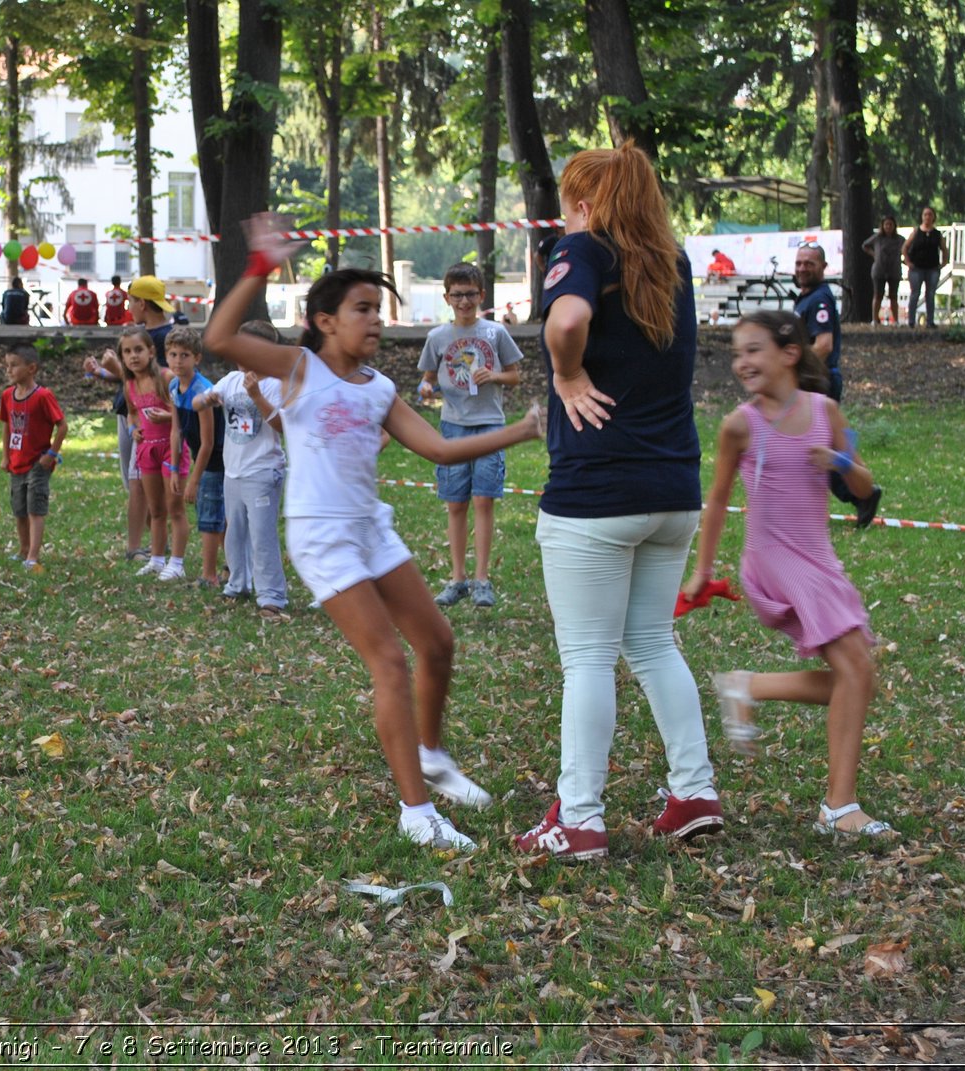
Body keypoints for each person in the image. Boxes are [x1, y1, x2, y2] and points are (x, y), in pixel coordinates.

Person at [204, 214, 545, 854]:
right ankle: (415, 812)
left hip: (371, 527)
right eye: (363, 309)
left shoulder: (381, 387)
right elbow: (219, 336)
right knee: (389, 663)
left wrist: (524, 430)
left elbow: (442, 450)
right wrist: (259, 265)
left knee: (438, 643)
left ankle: (432, 755)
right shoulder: (299, 367)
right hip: (320, 535)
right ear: (327, 321)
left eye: (379, 310)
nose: (376, 319)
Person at [512, 142, 721, 863]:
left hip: (596, 492)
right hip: (673, 489)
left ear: (588, 202)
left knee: (588, 659)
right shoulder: (673, 263)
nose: (568, 211)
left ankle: (579, 817)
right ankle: (693, 790)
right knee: (653, 643)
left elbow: (565, 323)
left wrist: (566, 376)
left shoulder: (584, 251)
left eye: (573, 198)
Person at [682, 311, 893, 839]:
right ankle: (840, 809)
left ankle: (747, 685)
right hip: (774, 560)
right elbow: (718, 500)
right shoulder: (741, 424)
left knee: (857, 677)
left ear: (789, 353)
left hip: (817, 557)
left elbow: (866, 488)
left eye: (752, 350)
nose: (742, 363)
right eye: (737, 354)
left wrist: (841, 462)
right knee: (856, 669)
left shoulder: (826, 411)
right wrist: (703, 571)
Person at [417, 263, 523, 609]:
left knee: (483, 499)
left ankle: (481, 580)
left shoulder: (494, 333)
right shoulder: (437, 338)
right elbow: (429, 377)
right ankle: (458, 578)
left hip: (490, 423)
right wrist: (426, 387)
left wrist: (493, 375)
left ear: (482, 295)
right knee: (457, 503)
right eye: (457, 295)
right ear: (447, 297)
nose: (464, 301)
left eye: (470, 294)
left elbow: (514, 376)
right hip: (453, 426)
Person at [196, 321, 289, 618]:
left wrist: (258, 396)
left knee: (262, 535)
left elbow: (282, 426)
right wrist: (206, 399)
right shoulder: (231, 380)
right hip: (233, 471)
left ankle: (272, 596)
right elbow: (198, 402)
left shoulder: (276, 383)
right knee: (234, 531)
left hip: (263, 471)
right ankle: (238, 583)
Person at [83, 275, 175, 560]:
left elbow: (151, 385)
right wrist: (101, 371)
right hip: (131, 414)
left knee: (139, 484)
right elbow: (132, 382)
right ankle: (151, 544)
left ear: (142, 303)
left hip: (149, 421)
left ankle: (138, 547)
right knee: (134, 481)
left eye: (131, 301)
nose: (128, 307)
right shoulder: (142, 333)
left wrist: (117, 367)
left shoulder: (162, 339)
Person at [793, 241, 882, 528]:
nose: (803, 268)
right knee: (818, 447)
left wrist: (789, 369)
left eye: (809, 263)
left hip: (817, 381)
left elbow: (823, 345)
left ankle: (862, 493)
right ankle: (862, 493)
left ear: (823, 267)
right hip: (812, 382)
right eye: (799, 263)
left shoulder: (819, 299)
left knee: (813, 447)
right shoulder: (806, 297)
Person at [117, 325, 188, 579]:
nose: (133, 356)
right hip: (147, 450)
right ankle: (157, 560)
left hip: (171, 448)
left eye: (138, 350)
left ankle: (177, 563)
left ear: (150, 351)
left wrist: (168, 415)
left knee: (175, 507)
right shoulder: (131, 384)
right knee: (156, 509)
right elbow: (132, 413)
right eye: (127, 352)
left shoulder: (167, 378)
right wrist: (134, 428)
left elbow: (185, 413)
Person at [166, 326, 226, 587]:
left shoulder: (203, 391)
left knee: (210, 518)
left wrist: (194, 478)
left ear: (197, 358)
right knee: (215, 515)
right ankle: (233, 566)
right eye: (173, 354)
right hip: (198, 455)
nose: (178, 361)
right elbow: (176, 430)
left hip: (216, 460)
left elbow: (209, 442)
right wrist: (175, 467)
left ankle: (209, 575)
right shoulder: (173, 386)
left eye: (185, 355)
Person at [0, 344, 67, 569]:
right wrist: (6, 456)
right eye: (7, 366)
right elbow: (7, 426)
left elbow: (62, 425)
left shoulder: (43, 396)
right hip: (16, 463)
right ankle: (23, 549)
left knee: (34, 509)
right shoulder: (8, 395)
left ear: (31, 368)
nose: (9, 370)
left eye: (14, 365)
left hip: (37, 463)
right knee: (19, 510)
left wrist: (51, 454)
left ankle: (33, 556)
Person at [902, 206, 948, 328]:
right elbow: (905, 247)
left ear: (933, 217)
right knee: (915, 294)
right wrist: (908, 262)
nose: (927, 217)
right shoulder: (916, 232)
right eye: (925, 214)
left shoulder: (937, 234)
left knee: (930, 294)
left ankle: (930, 321)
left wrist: (943, 263)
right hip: (916, 268)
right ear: (922, 217)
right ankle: (911, 321)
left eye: (930, 214)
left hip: (932, 268)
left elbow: (944, 249)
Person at [861, 216, 903, 325]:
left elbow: (907, 247)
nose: (888, 227)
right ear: (883, 226)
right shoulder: (877, 238)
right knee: (877, 295)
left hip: (894, 270)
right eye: (886, 224)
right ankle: (875, 319)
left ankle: (896, 320)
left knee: (893, 296)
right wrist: (874, 254)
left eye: (890, 224)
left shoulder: (900, 239)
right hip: (879, 270)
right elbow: (865, 245)